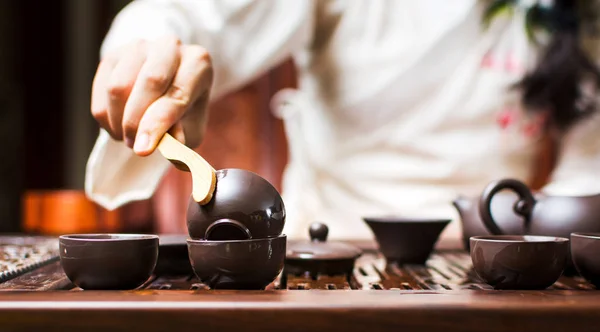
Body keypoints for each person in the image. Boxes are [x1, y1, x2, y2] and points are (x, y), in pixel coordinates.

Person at [85, 0, 600, 244]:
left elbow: (588, 169)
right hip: (332, 249)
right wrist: (151, 51)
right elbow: (192, 13)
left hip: (497, 255)